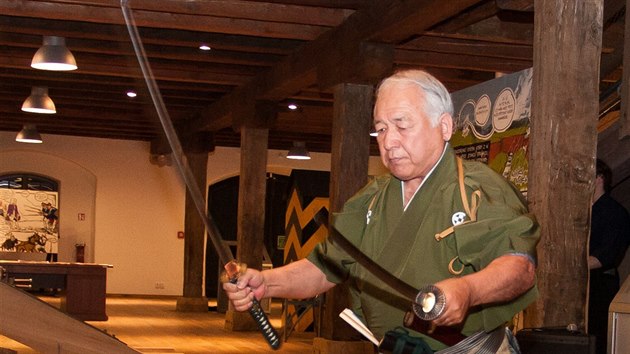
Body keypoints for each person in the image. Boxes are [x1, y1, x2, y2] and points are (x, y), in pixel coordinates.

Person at [223, 69, 540, 352]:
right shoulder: (371, 199)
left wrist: (468, 290)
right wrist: (266, 283)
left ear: (444, 126)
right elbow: (324, 268)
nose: (389, 142)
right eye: (382, 129)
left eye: (402, 126)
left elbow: (518, 267)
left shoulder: (476, 190)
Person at [588, 159, 630, 354]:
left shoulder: (616, 213)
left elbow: (605, 256)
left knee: (596, 341)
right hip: (584, 283)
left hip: (600, 287)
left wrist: (572, 265)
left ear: (599, 178)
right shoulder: (583, 212)